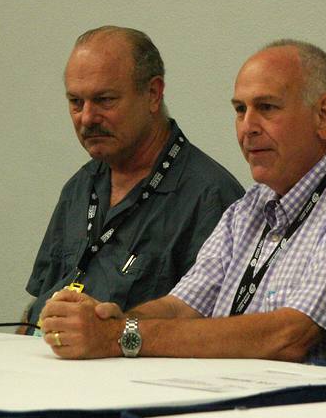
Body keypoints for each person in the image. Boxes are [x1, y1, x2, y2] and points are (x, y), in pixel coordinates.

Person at [38, 39, 326, 370]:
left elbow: (288, 337)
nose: (247, 127)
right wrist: (104, 321)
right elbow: (182, 308)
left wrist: (120, 337)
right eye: (239, 110)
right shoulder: (250, 208)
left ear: (324, 116)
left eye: (266, 108)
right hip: (260, 408)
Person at [23, 26, 244, 331]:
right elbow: (37, 304)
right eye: (76, 102)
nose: (87, 118)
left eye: (104, 100)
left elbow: (210, 333)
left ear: (152, 94)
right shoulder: (80, 187)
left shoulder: (211, 198)